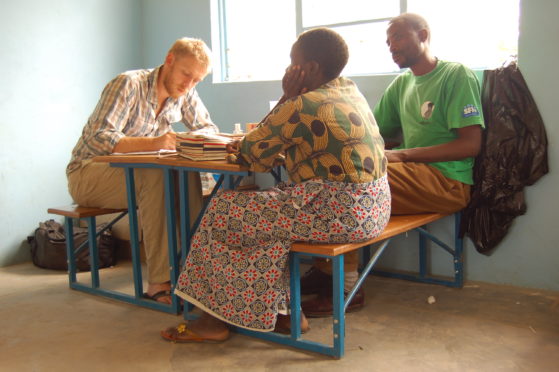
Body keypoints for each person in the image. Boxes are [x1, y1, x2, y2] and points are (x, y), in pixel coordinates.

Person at [160, 27, 391, 342]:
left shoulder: (302, 104)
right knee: (261, 212)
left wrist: (286, 97)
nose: (287, 70)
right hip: (373, 208)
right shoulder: (350, 90)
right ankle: (285, 313)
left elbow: (254, 154)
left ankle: (212, 322)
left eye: (292, 62)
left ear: (309, 69)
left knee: (225, 210)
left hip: (338, 213)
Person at [300, 13, 484, 316]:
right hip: (414, 174)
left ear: (422, 36)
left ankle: (346, 287)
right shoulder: (402, 84)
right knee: (330, 175)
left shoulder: (455, 75)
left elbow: (471, 145)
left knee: (351, 185)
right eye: (387, 41)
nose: (391, 46)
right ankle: (326, 271)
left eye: (397, 37)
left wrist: (404, 154)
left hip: (448, 181)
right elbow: (369, 134)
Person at [66, 37, 219, 304]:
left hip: (139, 175)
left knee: (188, 175)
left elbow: (208, 129)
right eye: (186, 74)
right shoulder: (128, 83)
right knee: (155, 174)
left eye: (196, 80)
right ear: (169, 60)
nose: (188, 84)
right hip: (87, 173)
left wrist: (200, 140)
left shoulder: (185, 92)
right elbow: (98, 138)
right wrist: (155, 143)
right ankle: (159, 282)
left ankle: (193, 275)